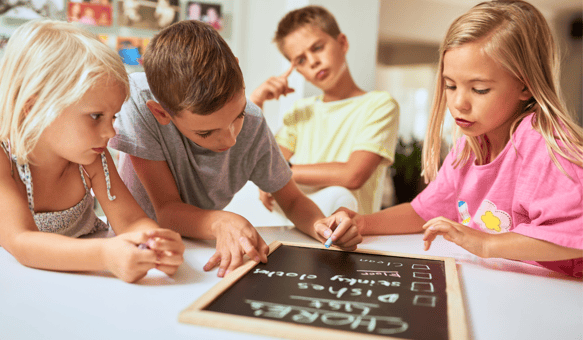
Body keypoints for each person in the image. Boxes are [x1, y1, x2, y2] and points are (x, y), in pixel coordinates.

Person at [317, 0, 583, 277]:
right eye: (450, 85)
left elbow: (575, 234)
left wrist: (485, 243)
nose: (458, 103)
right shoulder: (469, 146)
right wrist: (360, 222)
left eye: (479, 89)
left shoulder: (547, 144)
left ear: (525, 86)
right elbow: (424, 212)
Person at [109, 20, 357, 278]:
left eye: (238, 115)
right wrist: (221, 221)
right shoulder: (139, 100)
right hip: (136, 245)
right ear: (161, 113)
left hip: (201, 247)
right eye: (206, 132)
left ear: (238, 68)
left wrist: (321, 225)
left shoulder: (253, 121)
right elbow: (167, 210)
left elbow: (293, 200)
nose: (229, 140)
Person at [0, 20, 185, 283]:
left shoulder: (92, 158)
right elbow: (22, 241)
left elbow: (131, 221)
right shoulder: (4, 159)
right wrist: (105, 255)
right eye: (96, 116)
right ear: (35, 107)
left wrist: (154, 242)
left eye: (114, 117)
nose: (111, 132)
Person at [250, 5, 399, 217]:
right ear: (297, 70)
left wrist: (281, 172)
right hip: (296, 229)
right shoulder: (300, 111)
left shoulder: (379, 105)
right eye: (300, 60)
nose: (312, 61)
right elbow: (265, 165)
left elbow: (352, 175)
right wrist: (256, 103)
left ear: (342, 43)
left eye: (317, 47)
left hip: (348, 233)